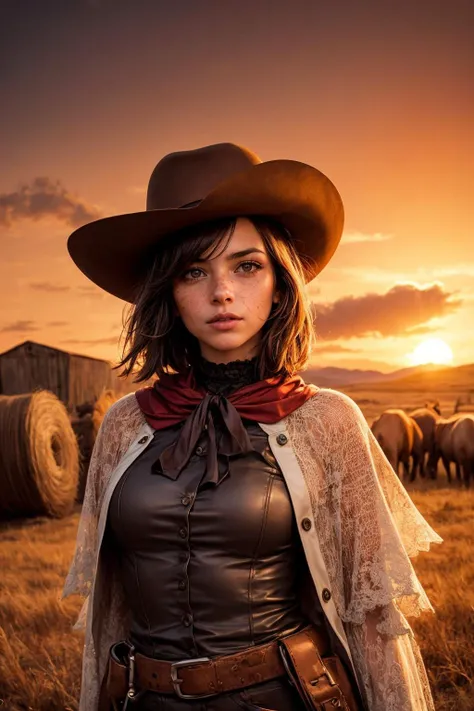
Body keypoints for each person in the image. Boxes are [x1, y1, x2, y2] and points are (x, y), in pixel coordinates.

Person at [62, 142, 443, 711]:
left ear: (280, 279)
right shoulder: (124, 424)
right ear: (167, 288)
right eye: (195, 270)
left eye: (247, 265)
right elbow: (107, 619)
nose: (221, 291)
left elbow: (372, 622)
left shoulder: (326, 419)